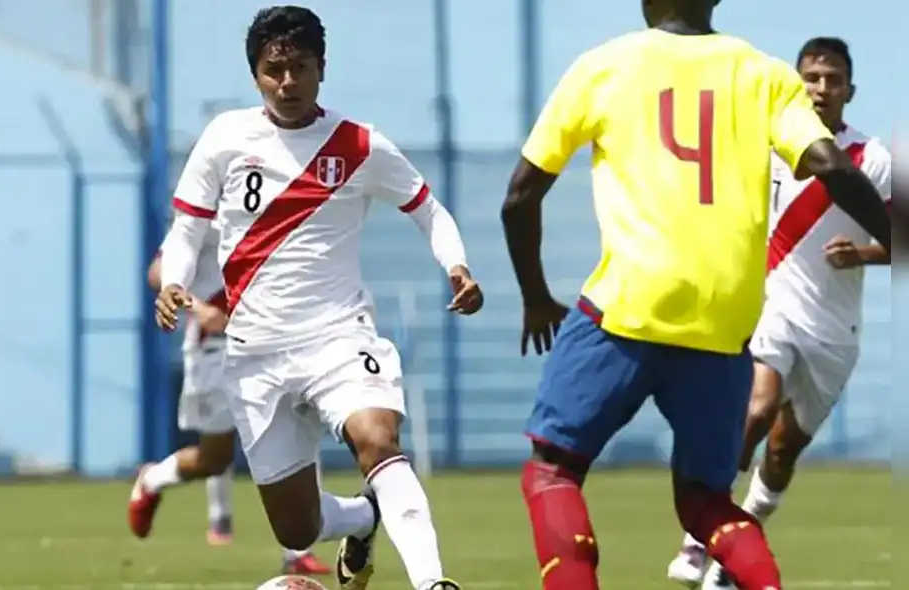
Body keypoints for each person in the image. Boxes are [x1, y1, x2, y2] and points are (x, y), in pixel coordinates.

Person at [499, 1, 891, 589]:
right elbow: (830, 163)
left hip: (628, 307)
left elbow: (520, 198)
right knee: (707, 499)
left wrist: (535, 295)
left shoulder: (604, 66)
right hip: (726, 320)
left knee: (553, 471)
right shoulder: (761, 73)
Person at [155, 7, 482, 590]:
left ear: (321, 69)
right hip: (254, 356)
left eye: (299, 68)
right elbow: (186, 230)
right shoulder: (226, 139)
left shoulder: (359, 144)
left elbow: (428, 209)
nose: (287, 83)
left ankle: (434, 582)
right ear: (255, 74)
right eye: (273, 70)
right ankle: (363, 517)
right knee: (296, 530)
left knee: (377, 438)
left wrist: (455, 265)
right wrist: (177, 280)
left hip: (339, 337)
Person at [667, 37, 891, 590]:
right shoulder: (766, 144)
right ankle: (700, 534)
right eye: (811, 77)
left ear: (849, 90)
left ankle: (728, 558)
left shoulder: (875, 159)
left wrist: (862, 254)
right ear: (795, 82)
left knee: (784, 451)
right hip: (770, 307)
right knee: (755, 408)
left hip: (836, 331)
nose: (820, 88)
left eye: (832, 79)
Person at [128, 220, 331, 575]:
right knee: (215, 458)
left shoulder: (278, 198)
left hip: (271, 342)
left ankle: (298, 550)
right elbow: (158, 272)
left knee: (300, 434)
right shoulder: (206, 213)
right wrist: (197, 307)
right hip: (214, 350)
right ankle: (153, 480)